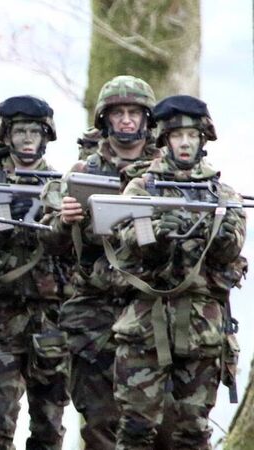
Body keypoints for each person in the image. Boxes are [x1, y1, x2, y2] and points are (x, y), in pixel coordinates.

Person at [112, 95, 246, 449]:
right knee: (135, 429)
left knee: (194, 431)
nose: (185, 143)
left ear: (203, 139)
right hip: (145, 324)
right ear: (164, 139)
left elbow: (232, 250)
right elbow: (127, 241)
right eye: (176, 136)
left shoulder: (221, 192)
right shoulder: (142, 187)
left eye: (191, 136)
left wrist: (215, 230)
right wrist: (156, 232)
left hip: (202, 325)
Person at [39, 75, 160, 449]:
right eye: (118, 113)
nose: (126, 120)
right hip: (94, 314)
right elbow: (49, 241)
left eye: (134, 113)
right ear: (105, 119)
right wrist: (65, 221)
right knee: (100, 422)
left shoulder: (166, 172)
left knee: (159, 424)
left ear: (146, 119)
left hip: (152, 309)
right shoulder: (82, 173)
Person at [0, 95, 70, 450]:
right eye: (20, 132)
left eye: (35, 132)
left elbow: (76, 248)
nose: (27, 139)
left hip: (49, 316)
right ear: (7, 136)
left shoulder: (62, 186)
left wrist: (61, 221)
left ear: (46, 137)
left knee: (49, 425)